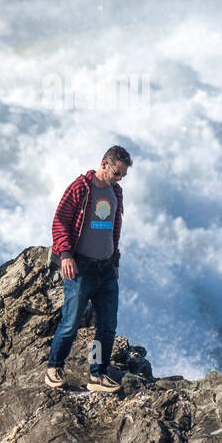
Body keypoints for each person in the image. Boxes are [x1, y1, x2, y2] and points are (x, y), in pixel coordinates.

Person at [46, 146, 132, 393]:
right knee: (71, 322)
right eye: (117, 172)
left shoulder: (116, 192)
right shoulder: (81, 188)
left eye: (123, 175)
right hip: (80, 267)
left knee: (107, 326)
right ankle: (53, 368)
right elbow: (59, 220)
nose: (120, 178)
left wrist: (115, 261)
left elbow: (115, 229)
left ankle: (97, 374)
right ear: (104, 164)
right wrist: (65, 255)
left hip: (106, 269)